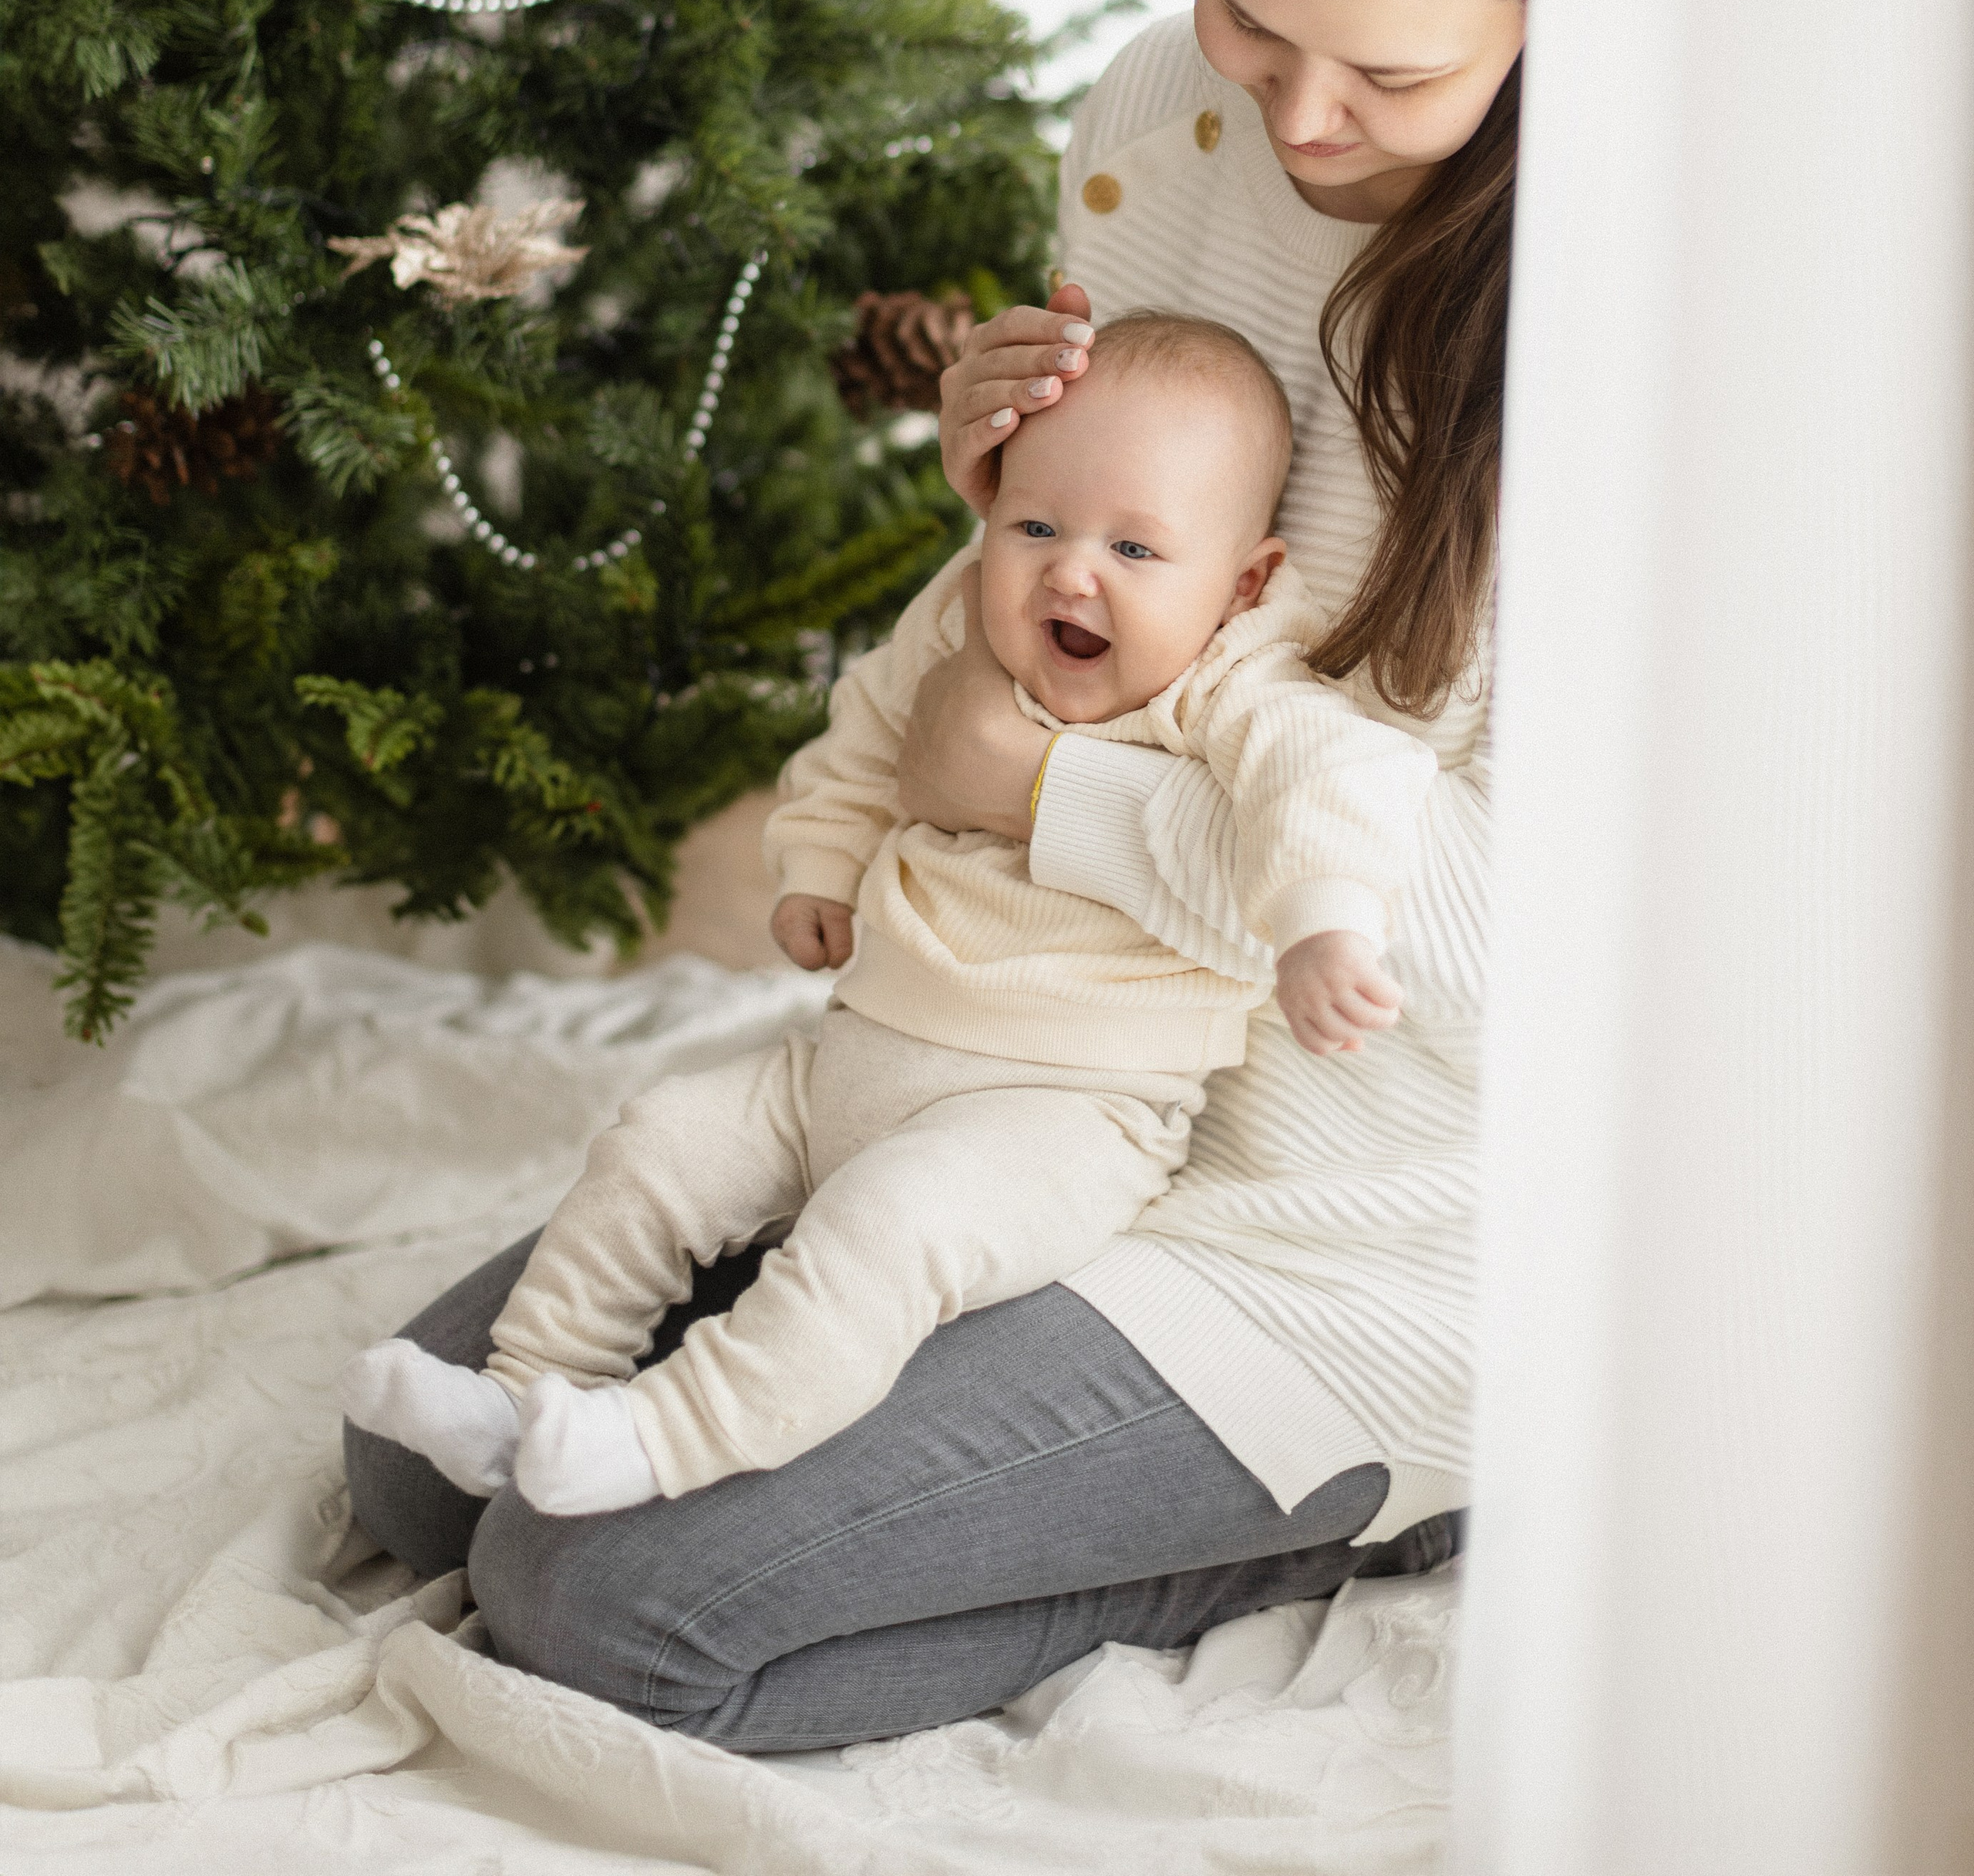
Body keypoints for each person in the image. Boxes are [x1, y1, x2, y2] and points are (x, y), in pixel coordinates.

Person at [343, 0, 1534, 1752]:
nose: (1300, 116)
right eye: (1250, 16)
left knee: (608, 1605)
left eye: (1396, 74)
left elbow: (1507, 961)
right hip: (1008, 1057)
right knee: (421, 1469)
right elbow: (1087, 618)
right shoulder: (1172, 119)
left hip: (1342, 1214)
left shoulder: (1633, 332)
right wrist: (1013, 500)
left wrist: (1025, 789)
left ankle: (1343, 1510)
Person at [338, 313, 1433, 1518]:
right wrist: (820, 858)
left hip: (1058, 1115)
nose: (1072, 571)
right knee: (657, 1141)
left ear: (1246, 581)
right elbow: (871, 725)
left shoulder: (1238, 680)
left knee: (878, 1235)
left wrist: (1325, 923)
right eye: (1035, 526)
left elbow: (1329, 787)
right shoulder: (967, 612)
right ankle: (526, 1388)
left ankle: (658, 1436)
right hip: (854, 1057)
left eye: (1134, 546)